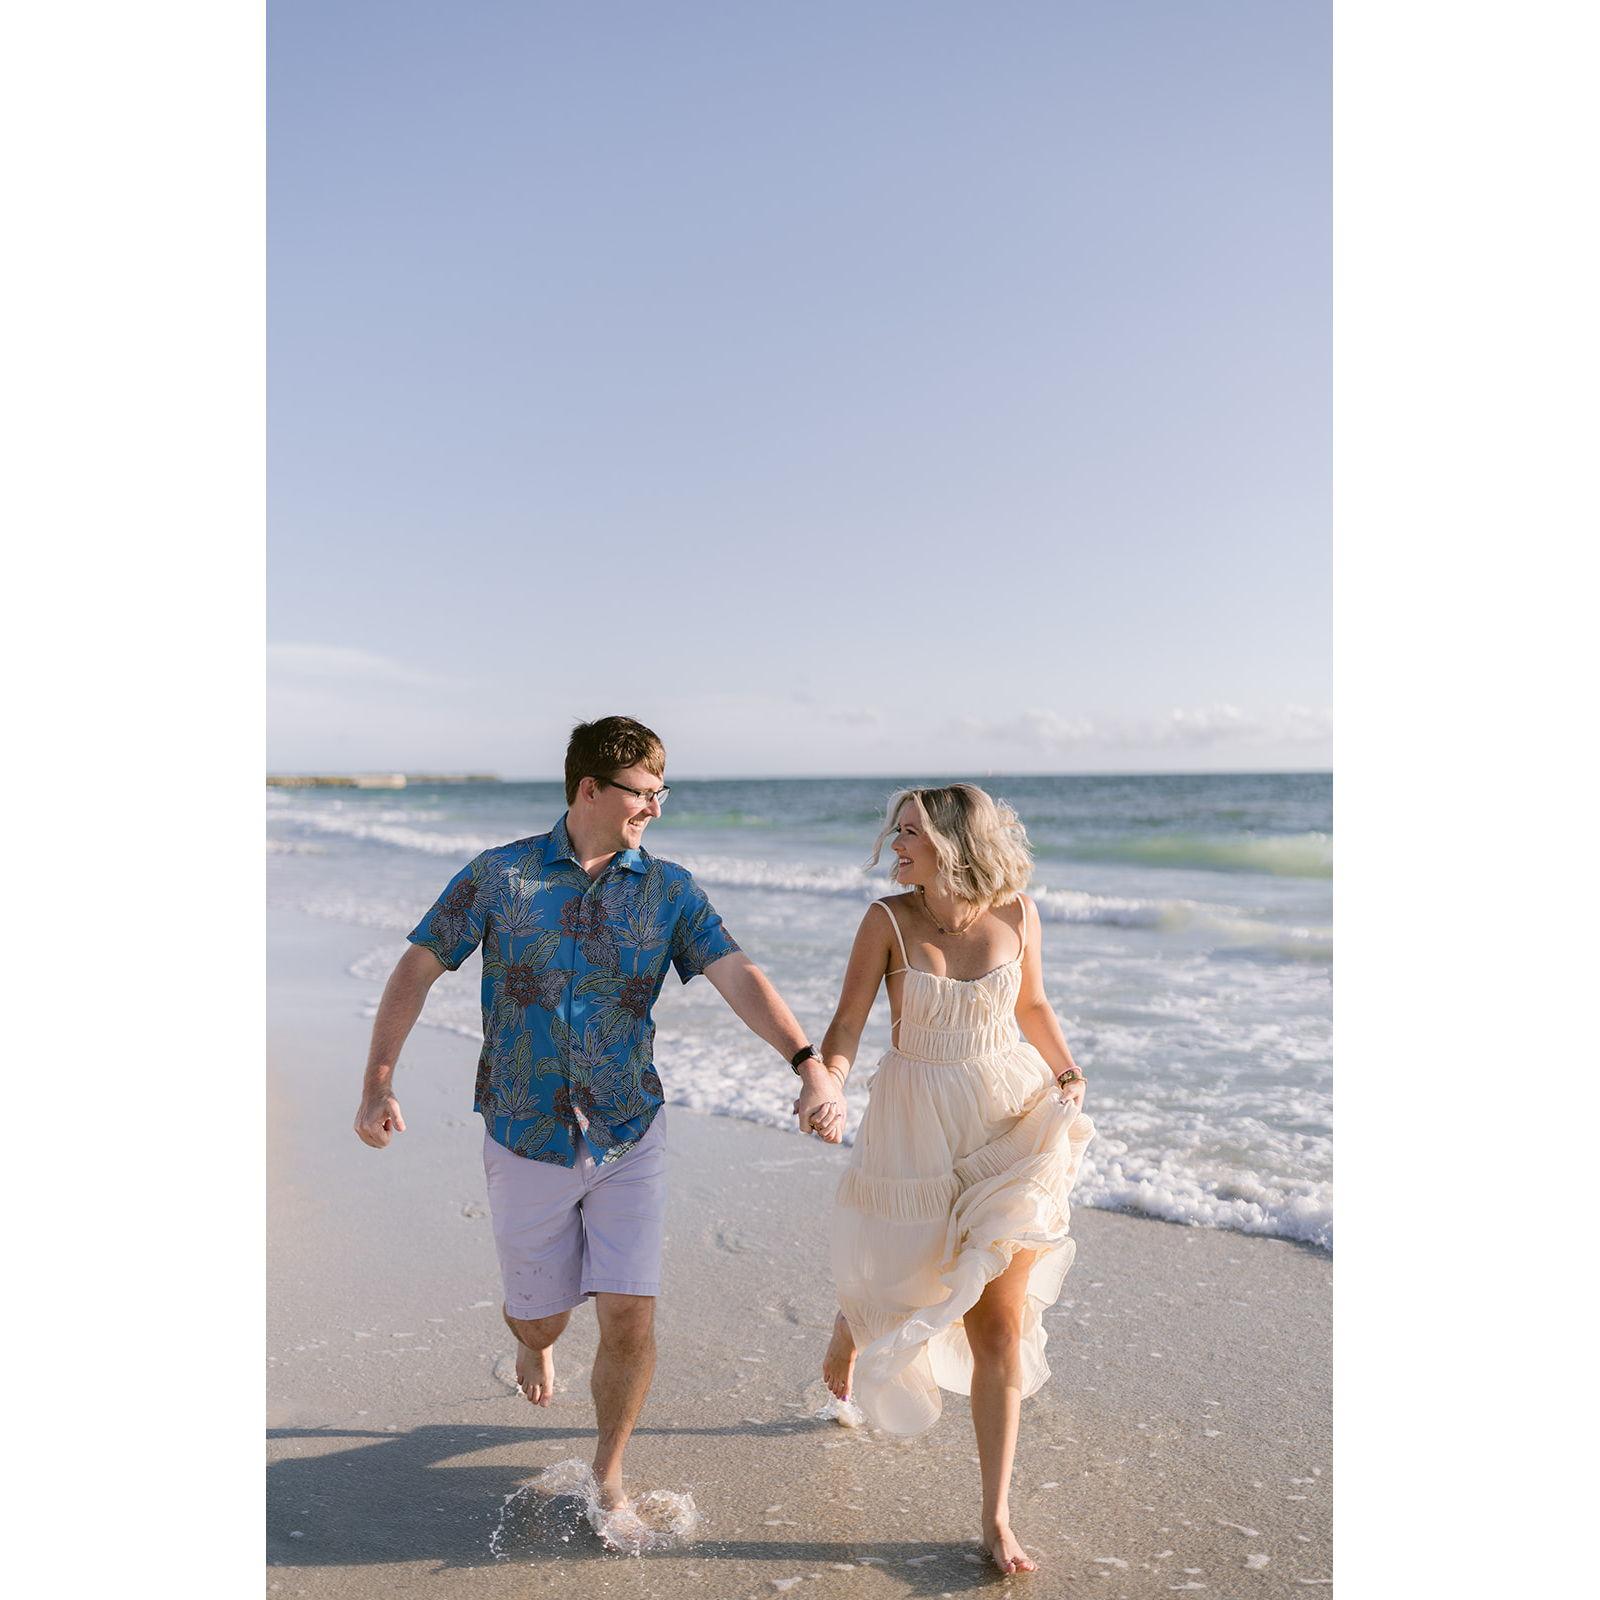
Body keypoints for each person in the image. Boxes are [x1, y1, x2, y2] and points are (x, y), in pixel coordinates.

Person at [352, 716, 845, 1528]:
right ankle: (535, 1335)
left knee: (629, 1312)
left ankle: (608, 1473)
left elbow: (736, 973)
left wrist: (806, 1063)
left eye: (662, 794)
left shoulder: (669, 890)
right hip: (525, 1129)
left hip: (628, 1128)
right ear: (590, 789)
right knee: (542, 1313)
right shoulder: (500, 877)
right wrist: (378, 1083)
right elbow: (418, 964)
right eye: (643, 794)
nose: (654, 808)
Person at [816, 784, 1094, 1576]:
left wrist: (1069, 1070)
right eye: (895, 832)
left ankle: (995, 1514)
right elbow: (847, 1024)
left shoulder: (1020, 914)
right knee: (909, 1274)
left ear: (951, 841)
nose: (893, 845)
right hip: (916, 1120)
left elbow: (1033, 1004)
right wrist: (829, 1083)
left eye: (908, 833)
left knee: (997, 1324)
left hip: (1008, 1116)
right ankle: (854, 1316)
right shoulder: (887, 922)